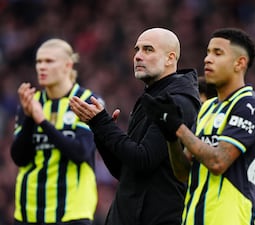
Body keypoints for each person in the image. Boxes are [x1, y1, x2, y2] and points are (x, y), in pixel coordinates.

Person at [69, 27, 201, 225]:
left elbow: (143, 159)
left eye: (148, 50)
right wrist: (100, 130)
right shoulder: (153, 96)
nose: (138, 56)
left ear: (170, 58)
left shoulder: (176, 101)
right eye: (137, 49)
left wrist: (103, 124)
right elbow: (126, 171)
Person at [141, 28, 255, 225]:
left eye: (218, 53)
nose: (207, 59)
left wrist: (178, 128)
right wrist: (171, 136)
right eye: (208, 52)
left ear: (240, 63)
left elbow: (219, 162)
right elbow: (183, 172)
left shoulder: (249, 105)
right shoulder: (207, 108)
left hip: (228, 219)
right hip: (193, 218)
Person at [10, 39, 101, 225]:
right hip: (29, 210)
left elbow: (80, 153)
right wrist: (29, 118)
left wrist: (42, 121)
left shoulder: (86, 101)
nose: (41, 67)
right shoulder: (31, 102)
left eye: (49, 61)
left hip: (72, 212)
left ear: (68, 65)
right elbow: (19, 158)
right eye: (39, 61)